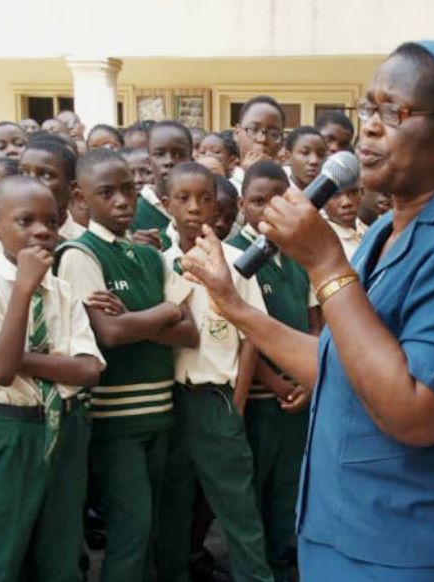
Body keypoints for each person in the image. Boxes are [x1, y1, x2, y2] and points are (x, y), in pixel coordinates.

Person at [181, 40, 434, 581]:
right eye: (367, 110)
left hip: (419, 546)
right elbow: (343, 366)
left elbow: (413, 411)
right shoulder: (383, 233)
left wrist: (326, 265)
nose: (369, 128)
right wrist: (234, 306)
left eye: (394, 112)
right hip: (346, 531)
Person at [0, 175, 104, 582]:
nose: (42, 231)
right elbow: (0, 373)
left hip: (67, 425)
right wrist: (23, 289)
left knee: (60, 548)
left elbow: (88, 369)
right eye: (25, 221)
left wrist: (9, 357)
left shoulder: (64, 290)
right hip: (10, 429)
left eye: (51, 222)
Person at [56, 148, 198, 582]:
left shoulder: (150, 256)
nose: (122, 201)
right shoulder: (80, 254)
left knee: (155, 525)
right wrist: (163, 313)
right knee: (131, 531)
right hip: (116, 418)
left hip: (161, 411)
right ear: (80, 196)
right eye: (107, 192)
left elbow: (190, 331)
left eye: (129, 191)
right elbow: (109, 335)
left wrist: (135, 319)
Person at [156, 162, 274, 582]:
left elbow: (252, 337)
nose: (195, 208)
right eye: (183, 199)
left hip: (218, 397)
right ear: (165, 203)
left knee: (237, 508)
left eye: (205, 199)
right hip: (171, 399)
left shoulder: (239, 263)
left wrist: (238, 402)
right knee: (173, 503)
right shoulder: (158, 261)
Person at [226, 160, 321, 579]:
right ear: (243, 204)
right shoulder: (235, 256)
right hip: (263, 394)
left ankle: (284, 561)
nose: (267, 209)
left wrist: (306, 378)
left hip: (300, 392)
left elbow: (316, 321)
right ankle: (258, 566)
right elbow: (241, 333)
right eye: (258, 201)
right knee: (254, 490)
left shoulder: (298, 254)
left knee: (289, 485)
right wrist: (278, 383)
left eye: (278, 200)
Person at [0, 138, 84, 269]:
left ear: (71, 187)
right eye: (23, 173)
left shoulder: (84, 243)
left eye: (46, 175)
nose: (31, 181)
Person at [233, 96, 286, 188]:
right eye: (253, 129)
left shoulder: (289, 190)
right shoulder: (221, 189)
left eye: (273, 134)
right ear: (237, 133)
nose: (262, 139)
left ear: (281, 142)